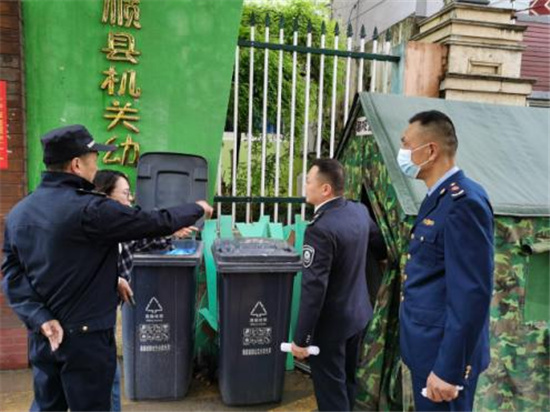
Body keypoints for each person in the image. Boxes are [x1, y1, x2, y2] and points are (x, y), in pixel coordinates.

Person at [1, 124, 212, 411]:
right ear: (76, 164)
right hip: (86, 339)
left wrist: (41, 317)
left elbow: (15, 274)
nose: (97, 166)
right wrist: (196, 208)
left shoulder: (19, 213)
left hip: (44, 335)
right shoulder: (90, 209)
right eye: (94, 159)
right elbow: (150, 222)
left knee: (47, 406)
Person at [397, 111, 494, 411]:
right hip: (427, 349)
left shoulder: (463, 203)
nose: (402, 152)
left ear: (430, 151)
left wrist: (449, 369)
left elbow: (471, 294)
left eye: (406, 144)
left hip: (443, 360)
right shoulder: (437, 197)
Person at [93, 169, 197, 411]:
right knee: (98, 382)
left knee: (108, 380)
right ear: (106, 198)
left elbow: (144, 237)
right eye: (125, 194)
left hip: (103, 318)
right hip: (86, 321)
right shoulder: (92, 230)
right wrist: (114, 279)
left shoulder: (123, 230)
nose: (130, 200)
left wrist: (170, 231)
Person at [291, 158, 387, 411]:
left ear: (325, 189)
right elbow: (380, 246)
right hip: (358, 315)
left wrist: (301, 339)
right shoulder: (359, 211)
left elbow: (314, 290)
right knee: (347, 382)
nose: (305, 186)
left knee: (331, 392)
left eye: (308, 181)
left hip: (331, 328)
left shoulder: (320, 229)